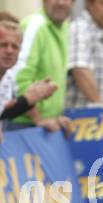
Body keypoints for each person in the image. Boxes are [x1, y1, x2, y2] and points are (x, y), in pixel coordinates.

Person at [12, 0, 73, 132]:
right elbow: (16, 77)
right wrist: (38, 119)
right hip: (22, 126)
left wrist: (56, 117)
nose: (61, 3)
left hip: (48, 126)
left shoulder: (65, 27)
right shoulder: (35, 25)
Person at [0, 16, 57, 138]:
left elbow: (4, 112)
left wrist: (30, 99)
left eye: (14, 47)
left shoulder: (8, 76)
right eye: (3, 45)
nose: (9, 51)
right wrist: (29, 98)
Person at [67, 0, 103, 107]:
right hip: (80, 118)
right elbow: (80, 71)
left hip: (100, 119)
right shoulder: (80, 28)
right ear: (90, 4)